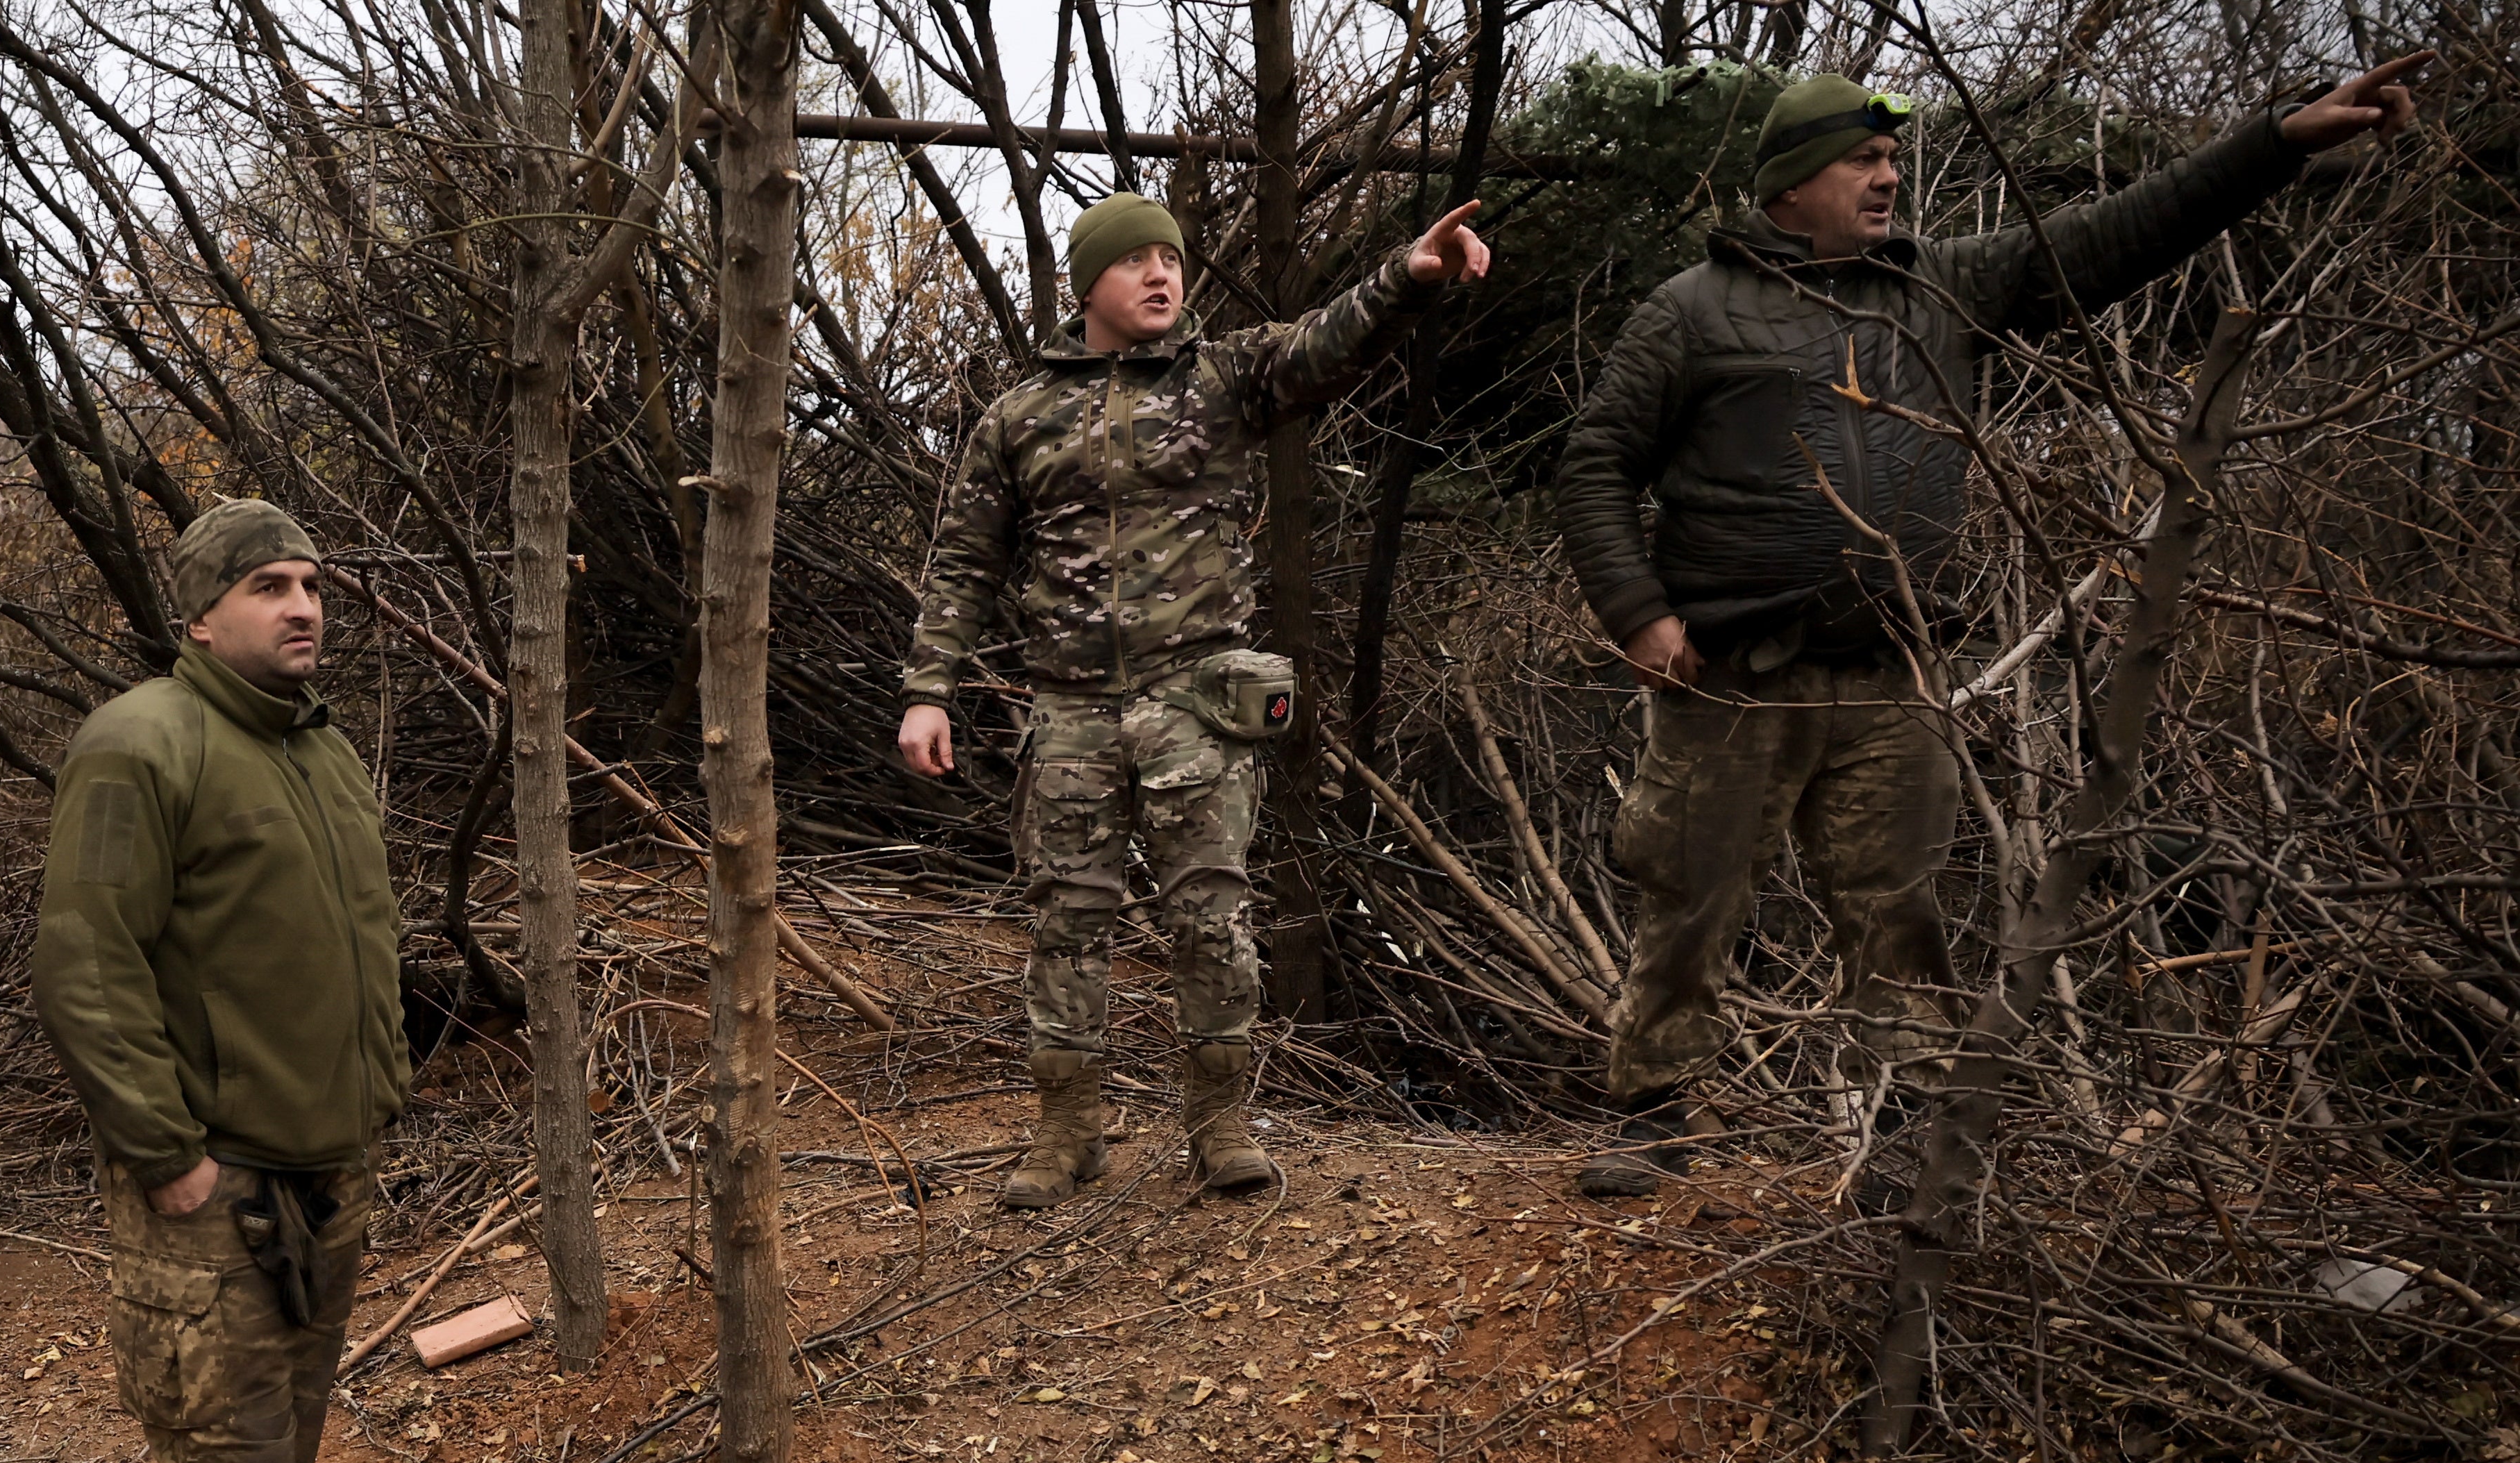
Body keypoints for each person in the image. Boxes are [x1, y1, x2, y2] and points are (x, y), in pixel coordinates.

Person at [1555, 58, 2427, 1197]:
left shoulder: (1942, 287)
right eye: (1861, 159)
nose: (1887, 177)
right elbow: (1594, 463)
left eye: (1889, 158)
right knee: (1690, 902)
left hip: (1892, 675)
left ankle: (1912, 1140)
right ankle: (1652, 1115)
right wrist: (1640, 616)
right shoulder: (1691, 313)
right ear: (1791, 179)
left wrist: (2277, 141)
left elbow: (2122, 231)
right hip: (1732, 678)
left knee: (1898, 908)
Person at [901, 190, 1492, 1207]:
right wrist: (927, 690)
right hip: (1072, 707)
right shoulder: (1022, 415)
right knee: (1065, 924)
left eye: (1171, 260)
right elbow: (964, 562)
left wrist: (1407, 276)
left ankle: (1221, 1124)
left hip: (1195, 700)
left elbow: (1327, 343)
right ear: (1090, 282)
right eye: (1137, 263)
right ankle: (1066, 1131)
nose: (1162, 275)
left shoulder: (1225, 377)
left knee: (1211, 919)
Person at [32, 500, 406, 1463]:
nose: (303, 605)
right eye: (268, 586)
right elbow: (84, 960)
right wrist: (168, 1154)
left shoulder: (320, 753)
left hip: (329, 1166)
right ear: (200, 615)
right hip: (216, 1187)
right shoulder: (144, 744)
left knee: (281, 1446)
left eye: (312, 581)